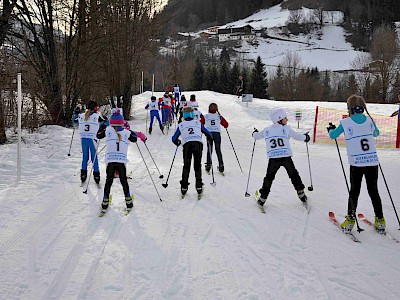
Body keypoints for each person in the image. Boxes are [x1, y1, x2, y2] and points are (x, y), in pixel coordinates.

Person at [328, 95, 385, 232]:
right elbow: (376, 133)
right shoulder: (369, 120)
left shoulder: (346, 122)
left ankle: (349, 221)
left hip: (356, 164)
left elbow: (333, 135)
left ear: (350, 108)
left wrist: (330, 129)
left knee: (354, 191)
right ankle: (380, 220)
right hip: (372, 162)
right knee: (373, 191)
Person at [252, 108, 310, 209]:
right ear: (279, 119)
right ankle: (301, 194)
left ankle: (262, 199)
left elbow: (256, 136)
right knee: (293, 175)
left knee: (269, 178)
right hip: (286, 157)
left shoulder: (267, 130)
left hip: (274, 158)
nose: (287, 120)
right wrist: (306, 137)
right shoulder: (286, 129)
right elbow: (298, 136)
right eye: (285, 118)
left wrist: (254, 133)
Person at [96, 109, 143, 213]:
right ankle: (128, 202)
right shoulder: (126, 132)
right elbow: (134, 139)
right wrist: (129, 130)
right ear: (122, 122)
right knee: (124, 182)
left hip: (111, 161)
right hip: (121, 162)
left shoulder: (108, 131)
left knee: (109, 181)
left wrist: (102, 126)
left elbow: (98, 135)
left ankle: (105, 201)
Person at [171, 106, 213, 196]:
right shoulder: (197, 123)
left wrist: (177, 142)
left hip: (187, 145)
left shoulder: (181, 125)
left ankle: (184, 187)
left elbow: (174, 138)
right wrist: (209, 138)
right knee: (197, 165)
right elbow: (208, 133)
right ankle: (199, 186)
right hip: (198, 144)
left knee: (186, 165)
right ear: (192, 114)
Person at [77, 100, 106, 185]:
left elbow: (75, 121)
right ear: (95, 108)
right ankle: (96, 175)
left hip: (83, 139)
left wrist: (76, 113)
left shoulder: (81, 116)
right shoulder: (96, 116)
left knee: (85, 157)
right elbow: (105, 122)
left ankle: (83, 174)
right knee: (94, 158)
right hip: (93, 139)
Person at [200, 103, 229, 174]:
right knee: (218, 149)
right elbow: (226, 125)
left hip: (209, 134)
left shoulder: (205, 116)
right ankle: (221, 165)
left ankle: (208, 165)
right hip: (217, 134)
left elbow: (200, 124)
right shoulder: (219, 116)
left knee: (209, 149)